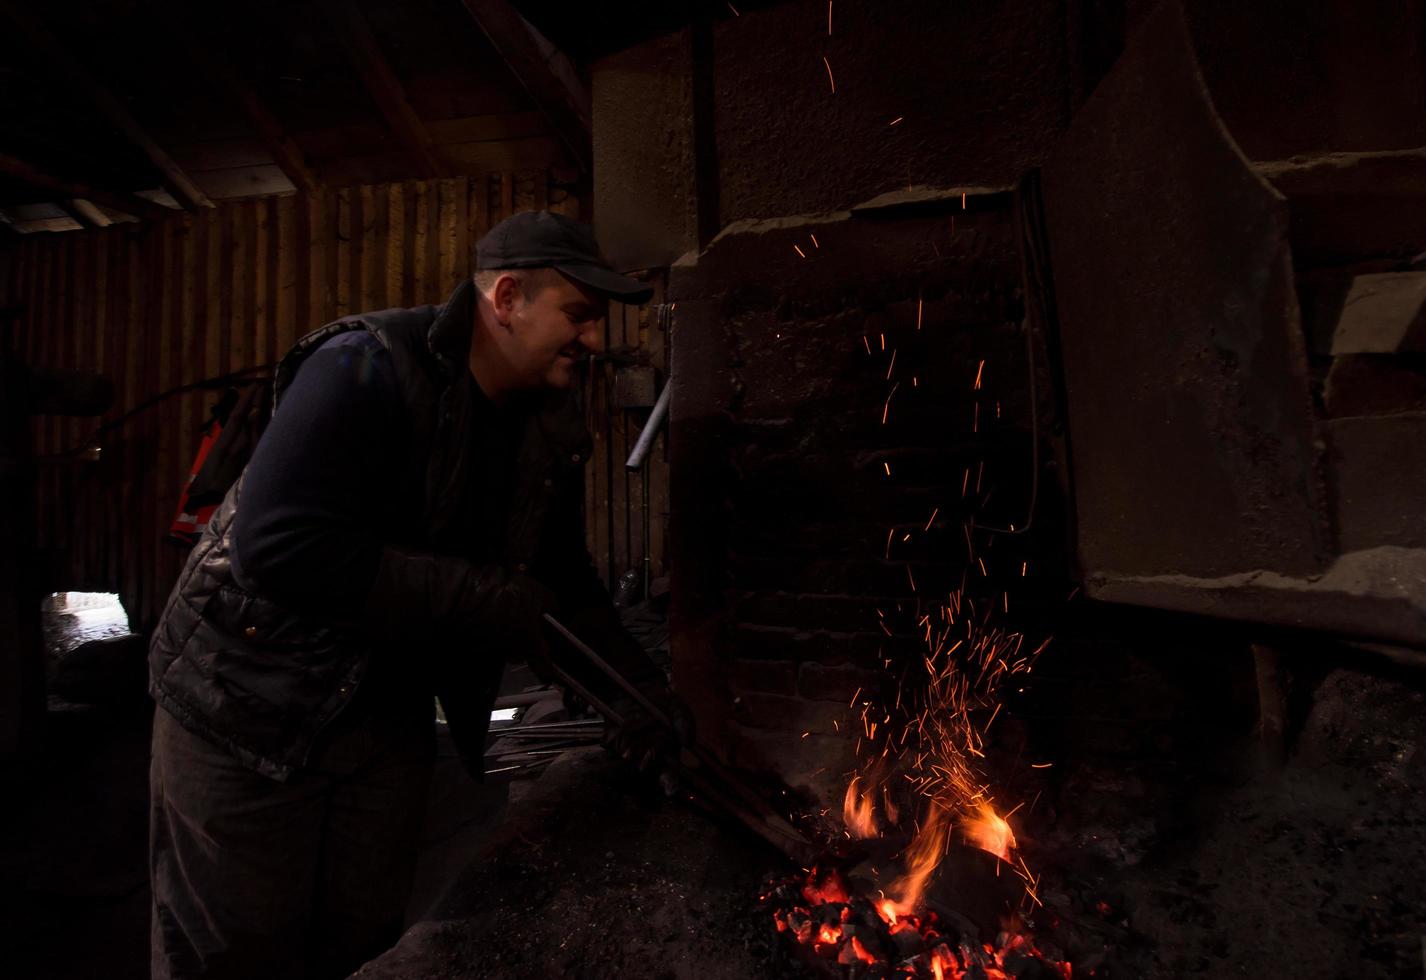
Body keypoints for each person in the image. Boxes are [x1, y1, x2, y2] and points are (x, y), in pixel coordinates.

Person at [146, 210, 679, 980]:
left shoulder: (546, 424)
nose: (593, 340)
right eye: (579, 315)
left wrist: (638, 698)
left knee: (361, 951)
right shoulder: (362, 366)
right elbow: (280, 548)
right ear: (506, 298)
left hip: (381, 722)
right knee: (234, 956)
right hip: (245, 712)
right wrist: (483, 595)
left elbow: (565, 585)